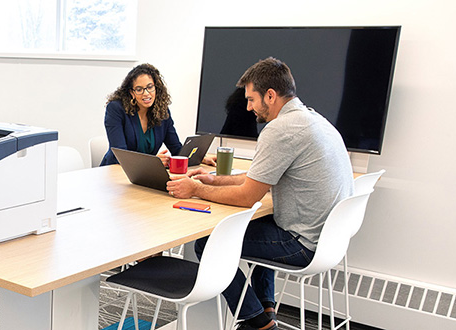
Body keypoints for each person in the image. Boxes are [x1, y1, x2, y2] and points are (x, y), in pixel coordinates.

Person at [166, 57, 353, 330]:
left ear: (270, 95)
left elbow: (247, 197)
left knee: (208, 242)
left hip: (301, 244)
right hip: (328, 240)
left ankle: (256, 322)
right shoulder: (314, 119)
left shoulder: (279, 129)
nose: (248, 107)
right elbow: (258, 177)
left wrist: (196, 189)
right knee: (255, 223)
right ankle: (266, 309)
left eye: (251, 99)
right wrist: (213, 181)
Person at [100, 63, 182, 166]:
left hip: (144, 174)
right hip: (115, 171)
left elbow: (176, 149)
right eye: (139, 89)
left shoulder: (162, 111)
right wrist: (153, 162)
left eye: (150, 87)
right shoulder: (116, 109)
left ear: (156, 88)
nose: (146, 93)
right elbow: (120, 155)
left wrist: (199, 158)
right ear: (132, 93)